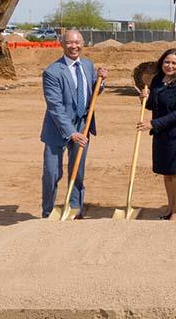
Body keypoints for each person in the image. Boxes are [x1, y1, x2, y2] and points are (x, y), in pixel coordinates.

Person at [40, 29, 107, 219]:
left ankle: (75, 209)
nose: (74, 46)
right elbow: (55, 107)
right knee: (52, 173)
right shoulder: (52, 72)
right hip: (57, 129)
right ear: (61, 44)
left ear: (83, 43)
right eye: (69, 43)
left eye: (77, 42)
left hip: (82, 126)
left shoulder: (87, 65)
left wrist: (101, 82)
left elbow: (91, 93)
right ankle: (48, 211)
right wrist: (71, 132)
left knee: (77, 171)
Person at [138, 49, 176, 222]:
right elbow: (153, 106)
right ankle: (170, 206)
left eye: (174, 63)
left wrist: (153, 123)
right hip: (161, 133)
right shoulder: (157, 80)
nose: (169, 66)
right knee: (166, 172)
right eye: (166, 62)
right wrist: (143, 98)